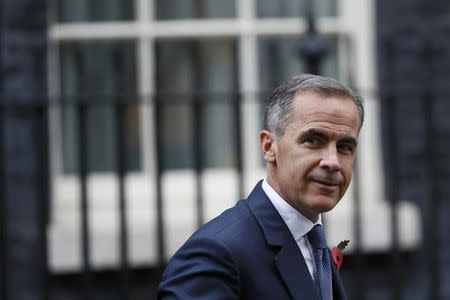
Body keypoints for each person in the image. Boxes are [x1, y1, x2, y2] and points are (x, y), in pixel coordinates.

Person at [157, 74, 364, 300]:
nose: (332, 161)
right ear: (269, 147)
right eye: (314, 140)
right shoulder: (217, 252)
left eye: (345, 146)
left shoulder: (312, 239)